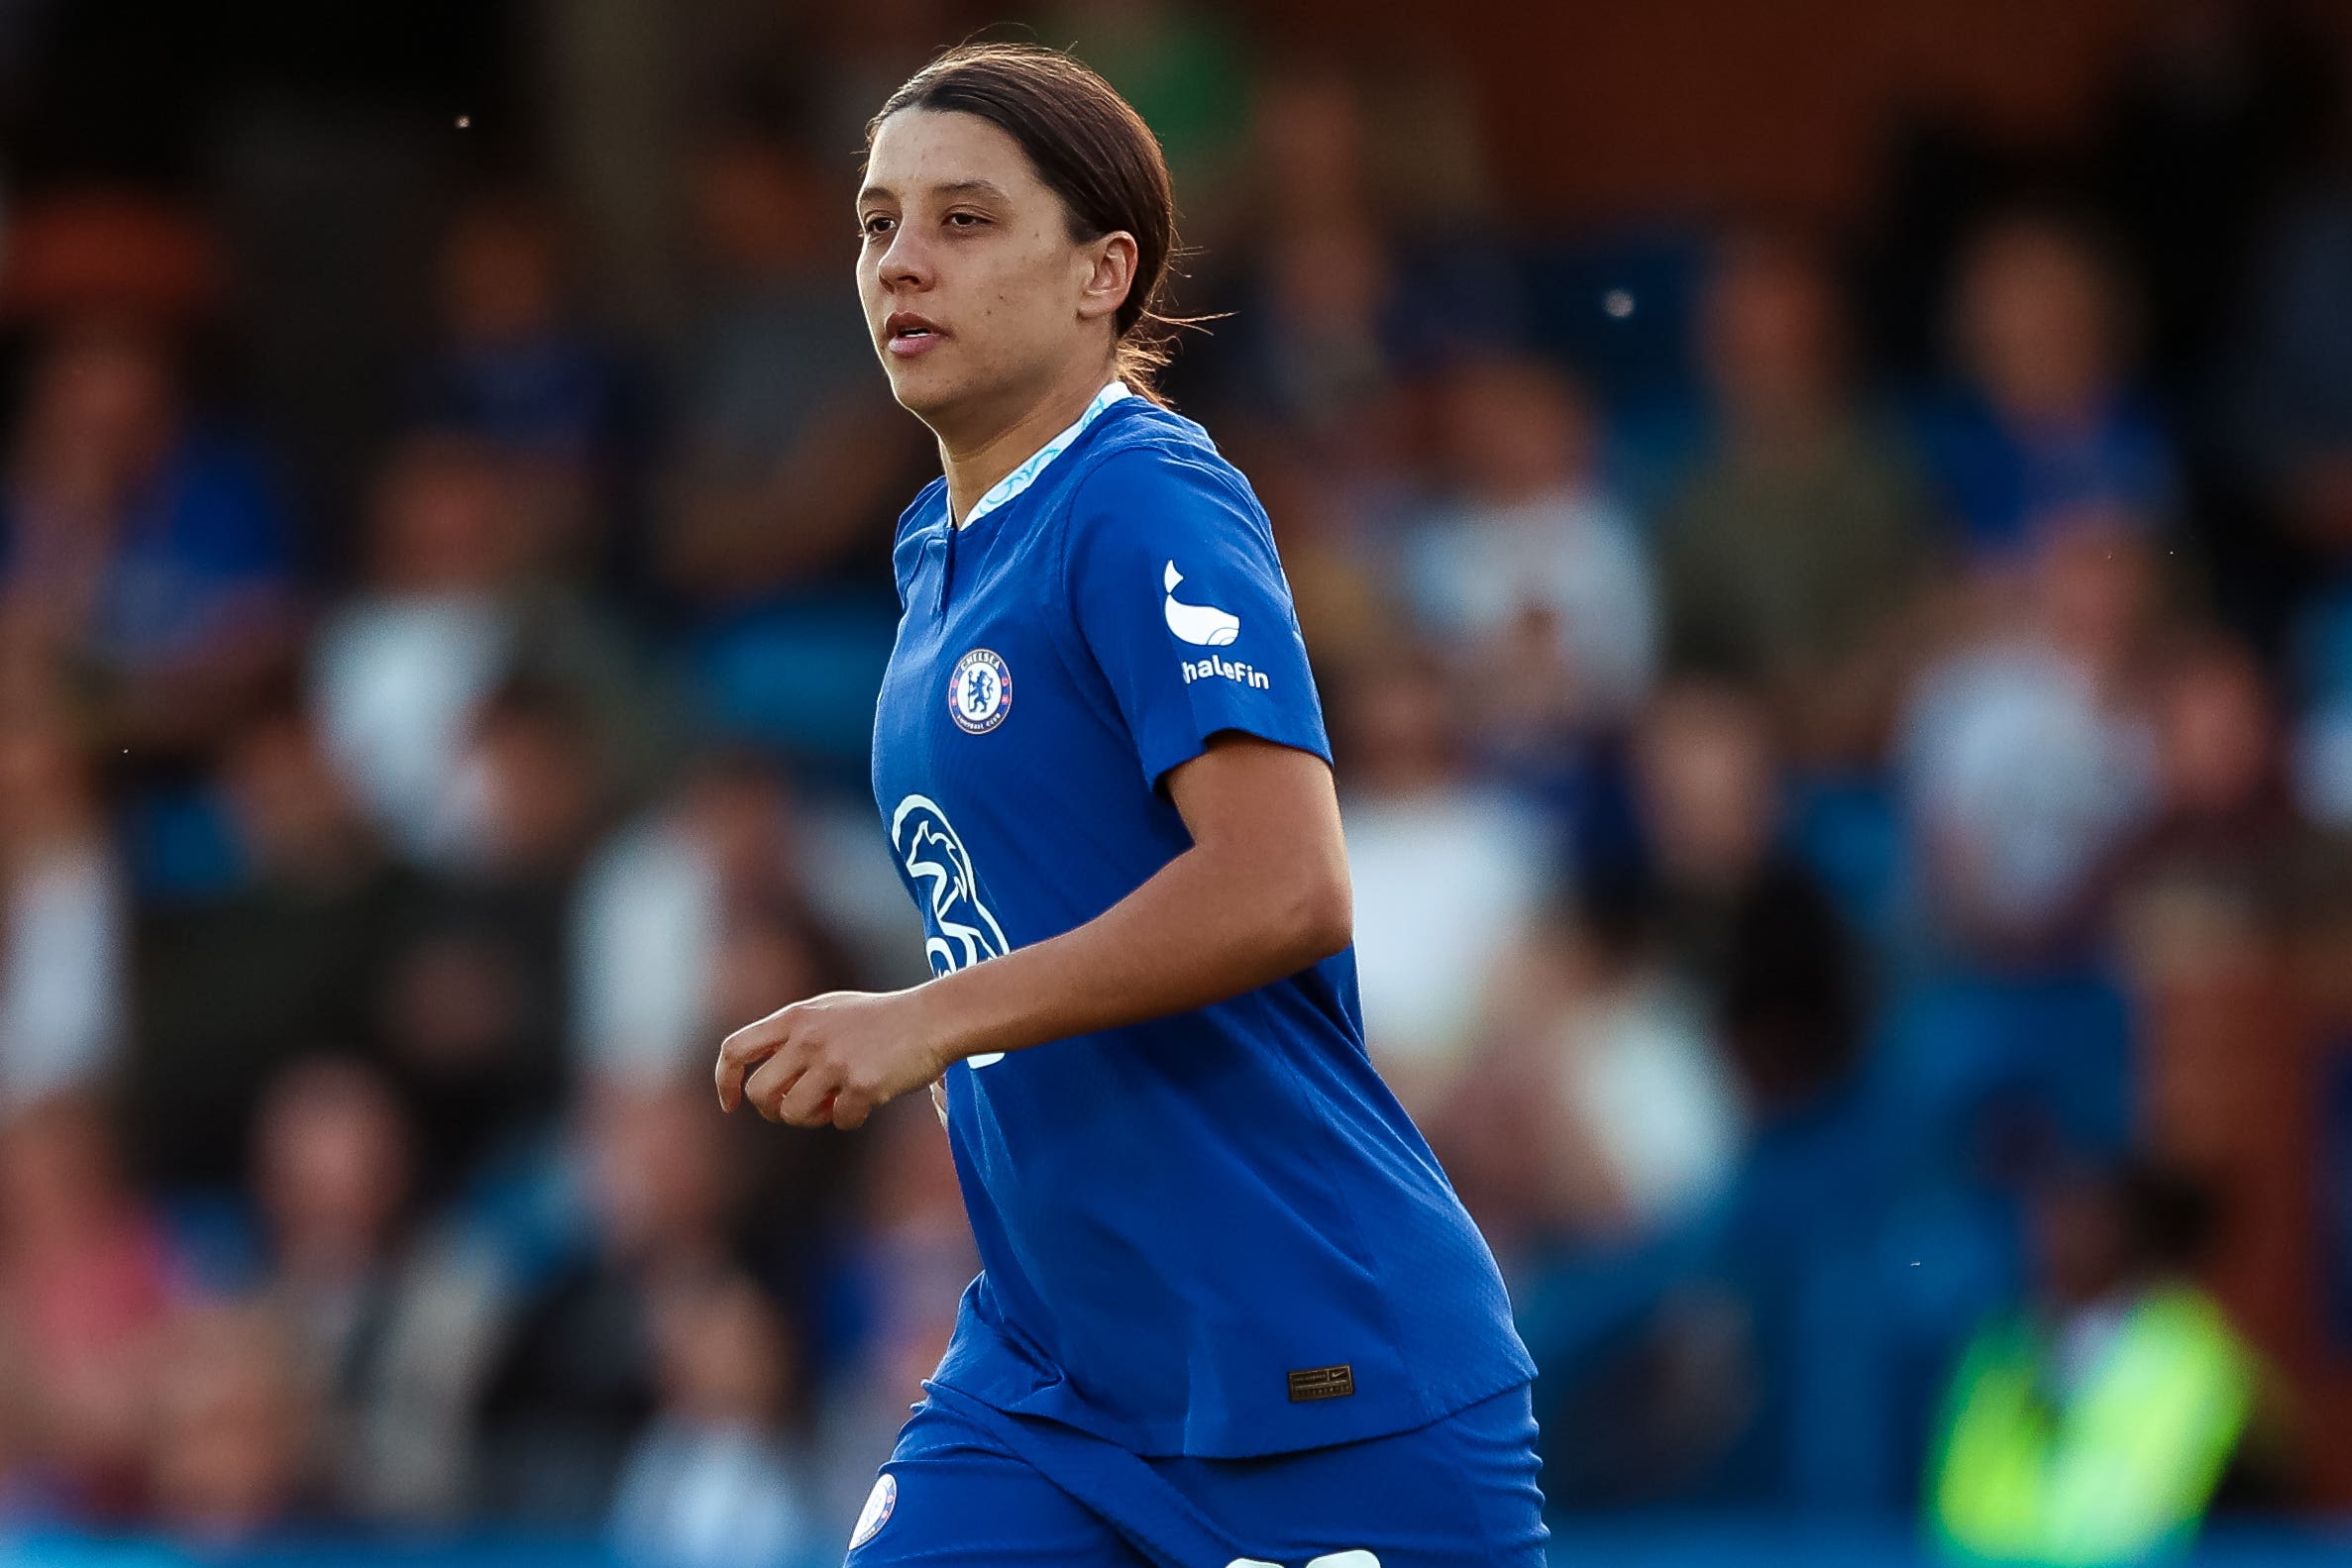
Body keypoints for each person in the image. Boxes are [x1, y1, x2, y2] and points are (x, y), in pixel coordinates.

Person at [712, 43, 1545, 1568]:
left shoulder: (1143, 495)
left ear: (1104, 272)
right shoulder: (934, 549)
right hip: (1051, 1374)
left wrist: (925, 1020)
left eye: (963, 220)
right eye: (875, 221)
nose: (901, 260)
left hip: (1312, 1369)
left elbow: (1284, 886)